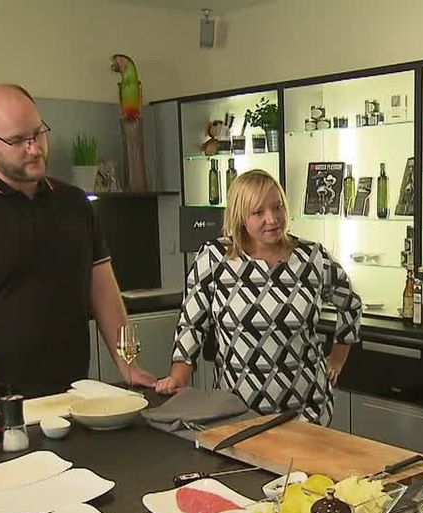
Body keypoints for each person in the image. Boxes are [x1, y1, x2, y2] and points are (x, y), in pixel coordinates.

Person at [0, 83, 155, 419]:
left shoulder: (73, 203)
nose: (34, 148)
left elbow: (102, 288)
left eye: (38, 134)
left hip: (74, 396)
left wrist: (128, 366)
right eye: (17, 141)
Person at [154, 170, 362, 425]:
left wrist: (337, 360)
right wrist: (179, 376)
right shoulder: (214, 258)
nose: (272, 219)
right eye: (258, 212)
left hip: (306, 411)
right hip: (235, 410)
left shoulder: (312, 258)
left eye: (277, 207)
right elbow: (191, 324)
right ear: (240, 216)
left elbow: (350, 304)